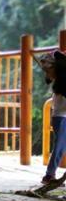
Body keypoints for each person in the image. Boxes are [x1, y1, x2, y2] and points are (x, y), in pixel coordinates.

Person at [38, 50, 66, 184]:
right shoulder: (61, 83)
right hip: (62, 118)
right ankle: (49, 175)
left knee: (60, 147)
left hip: (60, 117)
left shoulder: (60, 81)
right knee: (60, 147)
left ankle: (50, 174)